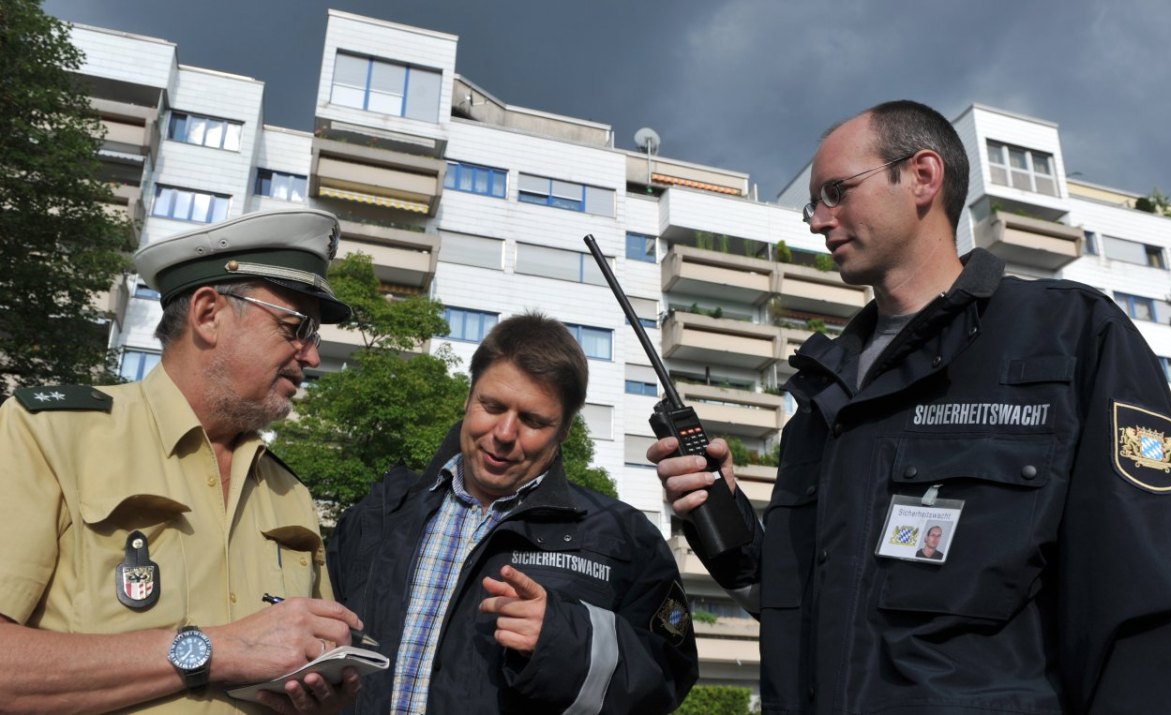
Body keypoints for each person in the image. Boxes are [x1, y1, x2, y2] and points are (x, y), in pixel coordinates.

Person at [650, 100, 1171, 714]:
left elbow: (1154, 611)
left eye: (836, 192)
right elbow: (815, 609)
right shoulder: (824, 394)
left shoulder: (1068, 337)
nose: (817, 221)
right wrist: (729, 530)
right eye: (815, 203)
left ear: (922, 176)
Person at [0, 208, 369, 714]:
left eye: (315, 337)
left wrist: (322, 693)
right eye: (296, 327)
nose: (310, 356)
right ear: (208, 314)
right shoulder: (49, 433)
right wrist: (215, 650)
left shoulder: (291, 494)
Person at [328, 313, 698, 714]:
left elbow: (667, 678)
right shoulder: (377, 516)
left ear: (565, 430)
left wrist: (565, 641)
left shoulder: (624, 538)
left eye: (533, 420)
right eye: (492, 405)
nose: (504, 434)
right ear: (468, 399)